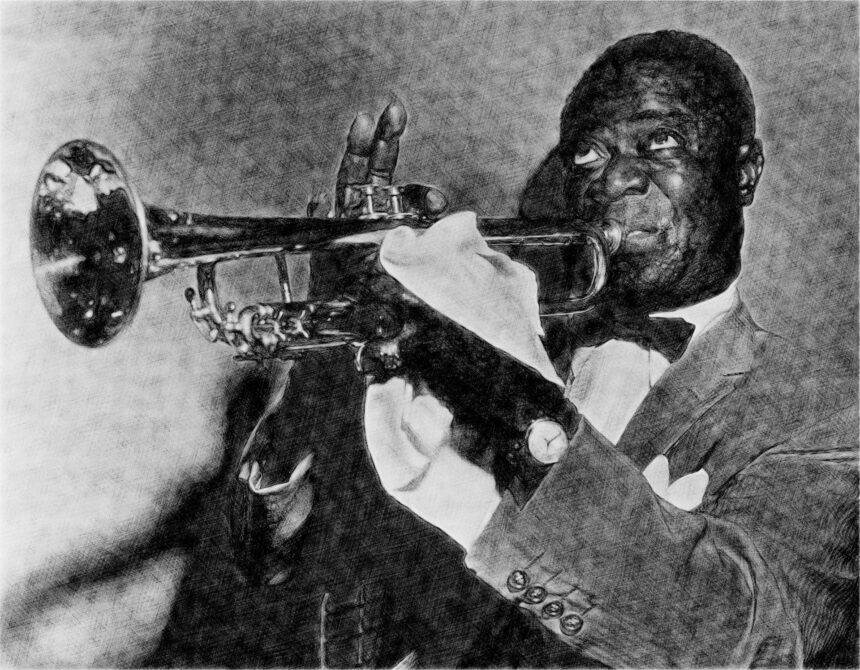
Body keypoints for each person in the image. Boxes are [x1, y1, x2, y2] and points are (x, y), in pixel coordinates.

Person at [330, 30, 856, 667]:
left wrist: (519, 403)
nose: (616, 179)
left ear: (743, 171)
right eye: (588, 155)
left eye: (660, 142)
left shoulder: (828, 415)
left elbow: (751, 643)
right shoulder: (486, 352)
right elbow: (345, 578)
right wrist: (346, 350)